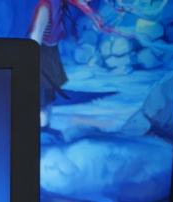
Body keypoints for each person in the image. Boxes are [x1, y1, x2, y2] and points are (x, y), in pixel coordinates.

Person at [28, 0, 117, 128]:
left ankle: (46, 126)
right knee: (43, 96)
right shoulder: (46, 6)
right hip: (43, 54)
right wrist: (33, 61)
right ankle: (42, 128)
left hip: (50, 52)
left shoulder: (58, 5)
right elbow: (35, 36)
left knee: (49, 95)